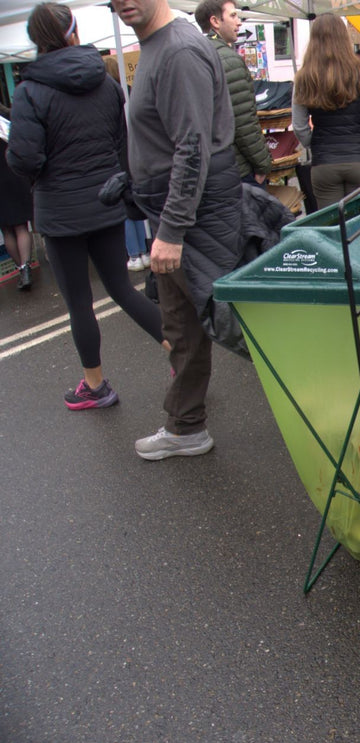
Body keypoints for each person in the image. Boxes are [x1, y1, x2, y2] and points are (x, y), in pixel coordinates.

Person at [6, 3, 169, 410]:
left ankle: (95, 387)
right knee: (122, 289)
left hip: (59, 211)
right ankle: (180, 354)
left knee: (79, 302)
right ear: (73, 32)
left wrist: (42, 171)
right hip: (106, 199)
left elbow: (24, 159)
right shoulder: (106, 81)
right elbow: (121, 143)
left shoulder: (29, 91)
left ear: (35, 39)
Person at [116, 0, 242, 459]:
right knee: (183, 325)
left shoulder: (178, 50)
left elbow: (193, 147)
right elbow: (171, 139)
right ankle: (186, 427)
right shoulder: (156, 44)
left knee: (242, 327)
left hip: (195, 217)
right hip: (181, 211)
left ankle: (329, 416)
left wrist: (171, 230)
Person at [290, 14, 360, 209]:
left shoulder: (304, 77)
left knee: (332, 228)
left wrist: (312, 144)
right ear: (344, 38)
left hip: (323, 162)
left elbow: (299, 126)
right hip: (359, 158)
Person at [195, 0, 273, 187]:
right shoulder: (228, 60)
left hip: (208, 167)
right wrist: (263, 165)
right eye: (232, 15)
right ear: (215, 21)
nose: (239, 22)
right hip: (238, 169)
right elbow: (243, 122)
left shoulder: (195, 54)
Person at [101, 53, 151, 272]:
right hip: (139, 152)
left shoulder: (107, 95)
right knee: (135, 202)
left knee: (126, 206)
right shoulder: (130, 91)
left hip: (121, 155)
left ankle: (134, 254)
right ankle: (143, 251)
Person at [0, 103, 35, 291]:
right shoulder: (8, 116)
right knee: (21, 227)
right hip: (14, 174)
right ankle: (27, 266)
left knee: (7, 230)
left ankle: (21, 270)